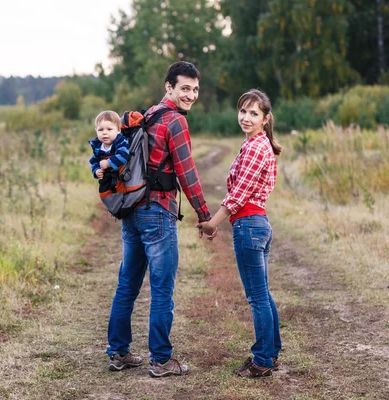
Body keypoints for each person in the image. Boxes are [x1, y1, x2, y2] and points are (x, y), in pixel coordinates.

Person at [106, 61, 211, 378]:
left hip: (132, 210)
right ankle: (161, 360)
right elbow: (187, 173)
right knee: (162, 289)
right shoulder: (175, 122)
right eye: (184, 88)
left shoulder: (148, 115)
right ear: (169, 87)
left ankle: (119, 353)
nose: (190, 95)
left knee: (127, 285)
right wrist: (204, 214)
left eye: (194, 90)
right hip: (157, 213)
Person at [197, 88, 283, 378]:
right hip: (257, 224)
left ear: (265, 118)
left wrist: (213, 223)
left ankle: (261, 360)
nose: (246, 117)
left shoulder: (256, 147)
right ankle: (270, 353)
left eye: (253, 113)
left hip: (249, 226)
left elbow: (238, 196)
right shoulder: (255, 145)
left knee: (257, 297)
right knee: (263, 294)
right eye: (243, 111)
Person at [89, 110, 130, 193]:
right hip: (108, 182)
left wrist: (108, 163)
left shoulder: (121, 142)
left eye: (109, 129)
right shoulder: (98, 146)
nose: (104, 133)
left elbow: (124, 154)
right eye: (100, 130)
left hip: (123, 180)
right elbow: (94, 161)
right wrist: (96, 170)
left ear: (118, 130)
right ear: (96, 131)